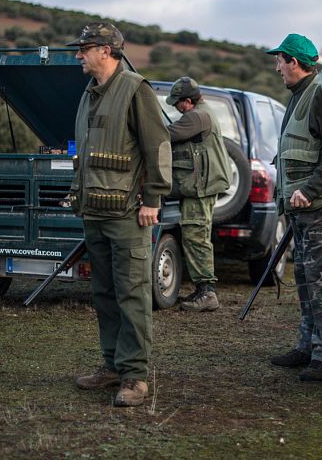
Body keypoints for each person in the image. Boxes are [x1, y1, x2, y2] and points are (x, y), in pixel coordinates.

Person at [68, 23, 172, 408]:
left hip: (128, 214)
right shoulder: (88, 94)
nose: (79, 55)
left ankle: (135, 376)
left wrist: (153, 199)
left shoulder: (135, 89)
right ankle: (112, 365)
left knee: (132, 294)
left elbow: (158, 146)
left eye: (85, 48)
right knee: (104, 293)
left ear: (106, 51)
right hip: (94, 212)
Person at [266, 33, 322, 382]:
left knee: (321, 281)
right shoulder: (300, 95)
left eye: (280, 61)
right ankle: (307, 346)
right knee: (305, 279)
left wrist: (309, 189)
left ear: (294, 62)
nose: (277, 67)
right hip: (303, 207)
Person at [165, 76, 230, 312]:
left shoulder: (196, 117)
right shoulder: (203, 113)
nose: (176, 107)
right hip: (200, 187)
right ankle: (203, 289)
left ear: (188, 101)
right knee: (197, 235)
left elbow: (165, 135)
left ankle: (207, 293)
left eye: (177, 102)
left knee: (196, 236)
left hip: (200, 189)